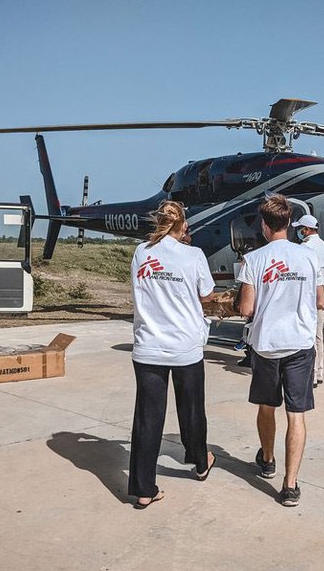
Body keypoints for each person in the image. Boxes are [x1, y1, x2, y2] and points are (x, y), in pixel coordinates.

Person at [238, 195, 324, 507]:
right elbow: (320, 301)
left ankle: (268, 459)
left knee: (266, 407)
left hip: (266, 346)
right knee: (296, 415)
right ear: (289, 224)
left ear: (264, 226)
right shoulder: (309, 258)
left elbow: (246, 309)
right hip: (300, 345)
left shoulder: (254, 260)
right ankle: (290, 486)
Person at [128, 201, 217, 509]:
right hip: (185, 347)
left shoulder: (142, 252)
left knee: (147, 420)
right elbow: (206, 295)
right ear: (184, 225)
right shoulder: (193, 256)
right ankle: (200, 461)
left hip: (148, 346)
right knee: (192, 410)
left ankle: (143, 488)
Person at [292, 214, 324, 387]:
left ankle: (312, 375)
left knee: (307, 336)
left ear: (306, 230)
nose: (299, 232)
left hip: (308, 296)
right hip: (322, 293)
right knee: (318, 335)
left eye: (300, 229)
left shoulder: (305, 248)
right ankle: (320, 371)